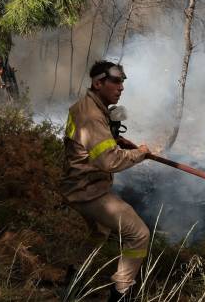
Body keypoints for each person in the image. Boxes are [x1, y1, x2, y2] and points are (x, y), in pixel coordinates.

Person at [60, 60, 152, 302]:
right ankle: (121, 293)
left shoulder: (88, 108)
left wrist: (114, 140)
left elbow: (86, 145)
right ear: (98, 83)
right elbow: (109, 162)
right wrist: (140, 153)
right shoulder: (91, 115)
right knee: (139, 234)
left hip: (76, 184)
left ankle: (74, 283)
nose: (121, 87)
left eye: (123, 82)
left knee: (98, 233)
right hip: (89, 191)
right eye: (116, 81)